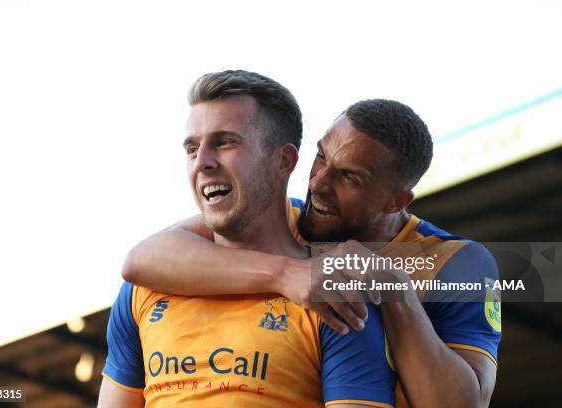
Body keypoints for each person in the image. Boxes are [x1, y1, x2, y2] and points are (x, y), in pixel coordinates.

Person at [123, 98, 502, 408]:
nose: (318, 184)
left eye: (349, 177)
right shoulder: (280, 216)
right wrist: (284, 272)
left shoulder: (456, 262)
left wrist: (396, 294)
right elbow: (143, 258)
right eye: (321, 158)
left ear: (395, 201)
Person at [98, 70, 396, 408]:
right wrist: (282, 273)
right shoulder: (146, 288)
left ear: (283, 160)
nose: (203, 162)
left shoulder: (332, 298)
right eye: (192, 148)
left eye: (225, 142)